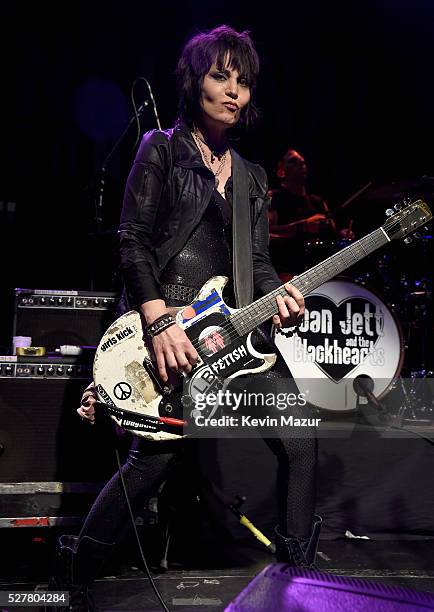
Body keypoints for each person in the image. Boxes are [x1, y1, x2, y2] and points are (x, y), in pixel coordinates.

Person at [49, 25, 320, 610]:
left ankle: (300, 577)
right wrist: (158, 321)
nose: (233, 92)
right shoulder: (161, 149)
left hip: (232, 334)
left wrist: (284, 298)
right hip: (166, 331)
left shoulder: (250, 176)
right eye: (220, 76)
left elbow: (260, 265)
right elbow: (132, 242)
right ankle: (75, 571)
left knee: (300, 439)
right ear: (192, 82)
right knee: (154, 460)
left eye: (243, 82)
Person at [269, 148, 353, 275]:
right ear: (281, 170)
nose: (301, 164)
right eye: (293, 161)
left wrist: (342, 235)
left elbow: (333, 235)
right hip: (287, 270)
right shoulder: (273, 198)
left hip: (321, 269)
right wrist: (303, 225)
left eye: (302, 162)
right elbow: (266, 232)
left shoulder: (318, 202)